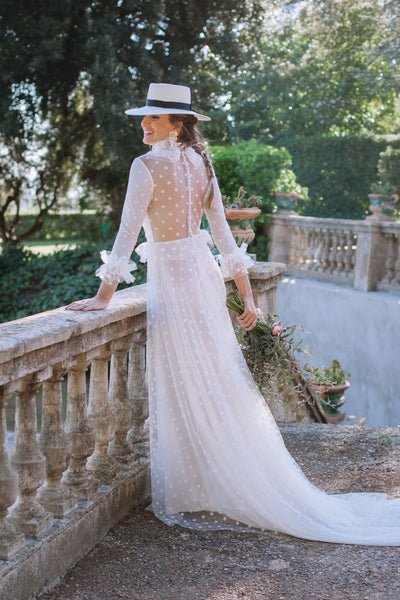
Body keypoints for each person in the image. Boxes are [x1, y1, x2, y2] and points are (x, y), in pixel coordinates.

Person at [67, 83, 400, 545]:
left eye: (154, 118)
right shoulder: (202, 165)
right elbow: (223, 236)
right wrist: (247, 298)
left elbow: (126, 235)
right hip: (201, 278)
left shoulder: (144, 167)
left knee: (187, 377)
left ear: (178, 124)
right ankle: (216, 477)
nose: (144, 124)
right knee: (216, 375)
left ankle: (199, 485)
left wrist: (104, 297)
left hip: (176, 281)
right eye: (145, 116)